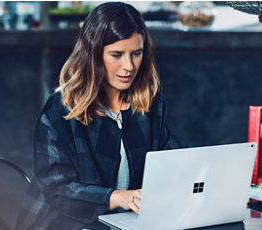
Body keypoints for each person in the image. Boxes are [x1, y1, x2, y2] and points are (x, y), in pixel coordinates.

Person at [16, 2, 181, 229]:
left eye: (137, 54)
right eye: (116, 54)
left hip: (122, 223)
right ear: (93, 54)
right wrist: (118, 197)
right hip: (62, 223)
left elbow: (173, 158)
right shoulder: (60, 109)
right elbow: (58, 189)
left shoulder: (149, 104)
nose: (129, 66)